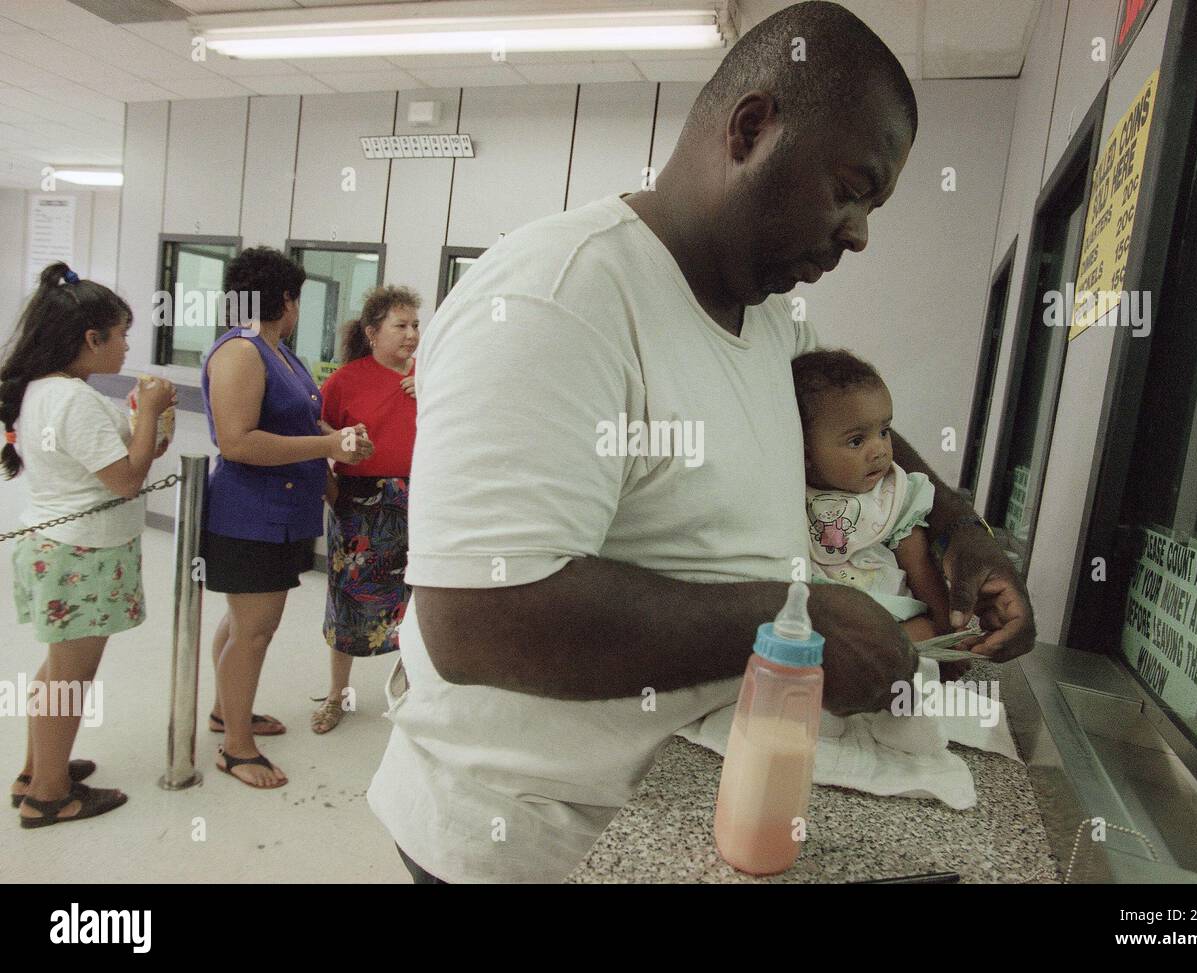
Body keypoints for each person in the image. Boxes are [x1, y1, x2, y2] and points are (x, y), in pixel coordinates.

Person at [368, 1, 1035, 883]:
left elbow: (868, 437)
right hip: (532, 839)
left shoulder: (767, 323)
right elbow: (479, 618)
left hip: (685, 795)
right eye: (850, 188)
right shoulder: (556, 300)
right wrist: (795, 625)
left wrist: (961, 533)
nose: (861, 233)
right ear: (752, 129)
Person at [2, 262, 175, 826]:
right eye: (120, 335)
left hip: (60, 544)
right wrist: (147, 413)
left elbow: (123, 460)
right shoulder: (72, 400)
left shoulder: (54, 390)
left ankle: (38, 768)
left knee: (57, 670)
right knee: (70, 678)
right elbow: (126, 479)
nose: (127, 346)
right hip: (80, 553)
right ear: (91, 339)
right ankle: (50, 797)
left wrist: (148, 425)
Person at [200, 246, 373, 788]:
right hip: (249, 515)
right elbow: (238, 441)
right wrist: (327, 444)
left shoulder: (279, 352)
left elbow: (303, 421)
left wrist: (331, 470)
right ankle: (235, 749)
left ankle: (228, 711)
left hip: (281, 511)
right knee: (254, 630)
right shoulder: (241, 353)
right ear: (287, 300)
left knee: (241, 624)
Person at [313, 286, 420, 734]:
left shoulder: (432, 376)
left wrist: (435, 389)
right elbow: (316, 432)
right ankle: (337, 695)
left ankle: (415, 694)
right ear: (373, 333)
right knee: (349, 600)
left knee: (420, 601)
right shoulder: (346, 380)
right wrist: (332, 487)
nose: (412, 334)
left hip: (421, 499)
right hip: (360, 503)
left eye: (416, 325)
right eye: (402, 325)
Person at [794, 349, 955, 645]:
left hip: (892, 616)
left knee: (924, 633)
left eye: (884, 431)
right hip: (826, 618)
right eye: (857, 441)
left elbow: (919, 566)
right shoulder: (789, 491)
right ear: (805, 451)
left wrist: (948, 629)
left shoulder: (893, 494)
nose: (879, 450)